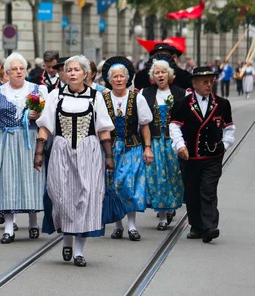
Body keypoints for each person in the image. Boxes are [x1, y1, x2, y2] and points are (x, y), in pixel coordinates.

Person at [34, 55, 114, 267]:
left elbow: (104, 129)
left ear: (86, 73)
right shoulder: (55, 96)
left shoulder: (96, 97)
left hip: (89, 152)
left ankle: (79, 250)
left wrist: (109, 157)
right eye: (69, 70)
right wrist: (39, 153)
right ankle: (66, 239)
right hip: (62, 151)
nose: (72, 73)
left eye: (76, 70)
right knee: (60, 196)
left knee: (86, 198)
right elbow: (45, 126)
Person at [0, 52, 47, 244]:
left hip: (30, 139)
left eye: (21, 68)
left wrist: (37, 116)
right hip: (6, 140)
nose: (18, 72)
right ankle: (9, 227)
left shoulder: (38, 90)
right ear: (7, 73)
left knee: (31, 179)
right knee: (7, 181)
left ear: (26, 71)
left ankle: (33, 221)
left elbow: (48, 120)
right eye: (14, 69)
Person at [170, 66, 235, 243]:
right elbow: (174, 126)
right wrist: (180, 146)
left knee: (208, 190)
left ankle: (210, 227)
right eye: (205, 82)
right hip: (189, 157)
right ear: (195, 83)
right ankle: (196, 226)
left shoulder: (222, 104)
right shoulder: (183, 104)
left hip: (213, 157)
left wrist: (224, 145)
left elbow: (229, 128)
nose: (209, 85)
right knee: (192, 192)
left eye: (211, 81)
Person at [102, 56, 153, 241]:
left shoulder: (137, 98)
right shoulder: (103, 98)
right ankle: (118, 226)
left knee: (130, 187)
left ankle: (132, 226)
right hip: (111, 150)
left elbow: (145, 125)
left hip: (133, 148)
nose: (118, 80)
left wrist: (148, 148)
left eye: (121, 76)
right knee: (114, 186)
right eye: (114, 76)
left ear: (127, 78)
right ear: (109, 79)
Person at [141, 58, 186, 230]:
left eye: (163, 72)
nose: (160, 75)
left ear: (169, 74)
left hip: (173, 142)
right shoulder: (146, 94)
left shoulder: (180, 93)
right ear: (153, 76)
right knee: (158, 177)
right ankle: (161, 216)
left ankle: (170, 208)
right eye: (157, 72)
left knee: (174, 176)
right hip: (155, 143)